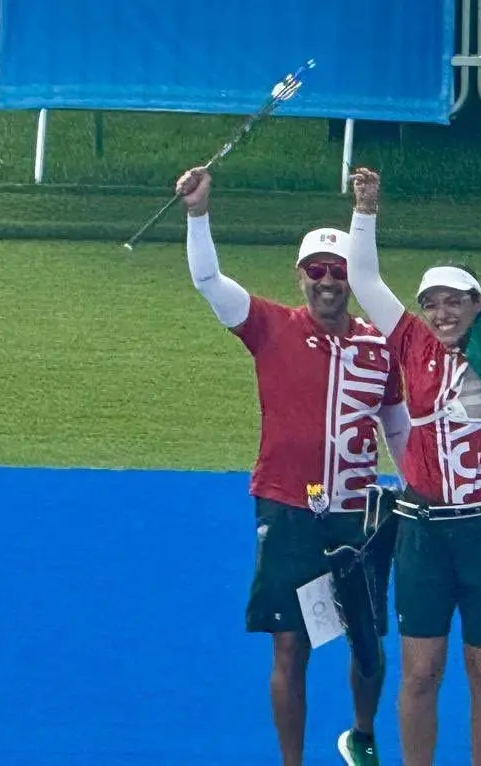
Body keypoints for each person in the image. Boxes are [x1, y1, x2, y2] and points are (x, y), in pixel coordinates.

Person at [176, 166, 411, 766]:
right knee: (290, 642)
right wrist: (199, 213)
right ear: (300, 275)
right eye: (317, 271)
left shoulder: (379, 346)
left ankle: (361, 735)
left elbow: (395, 423)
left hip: (358, 512)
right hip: (286, 505)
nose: (329, 283)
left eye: (339, 271)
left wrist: (417, 483)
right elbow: (207, 279)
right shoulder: (270, 326)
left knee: (367, 640)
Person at [343, 166, 481, 766]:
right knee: (420, 670)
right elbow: (362, 275)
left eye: (455, 301)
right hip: (423, 528)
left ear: (480, 303)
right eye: (432, 304)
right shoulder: (411, 343)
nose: (442, 313)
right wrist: (367, 208)